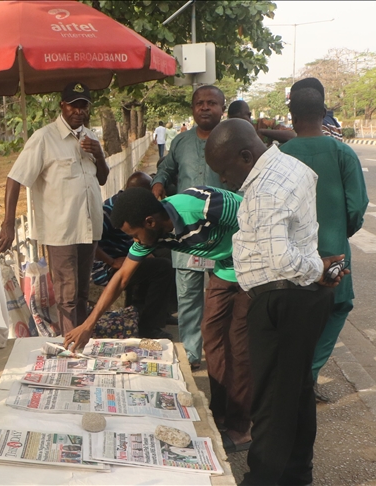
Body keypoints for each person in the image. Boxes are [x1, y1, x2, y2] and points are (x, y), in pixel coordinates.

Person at [205, 118, 345, 486]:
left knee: (269, 403)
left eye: (224, 170)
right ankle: (298, 474)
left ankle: (264, 479)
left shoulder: (265, 189)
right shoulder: (289, 166)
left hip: (280, 298)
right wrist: (318, 270)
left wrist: (317, 268)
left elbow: (282, 259)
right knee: (295, 393)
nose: (222, 180)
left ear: (246, 155)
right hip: (298, 299)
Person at [64, 184, 251, 450]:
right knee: (212, 338)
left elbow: (258, 218)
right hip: (223, 270)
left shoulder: (205, 205)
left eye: (135, 235)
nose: (135, 242)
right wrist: (88, 324)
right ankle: (220, 412)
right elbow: (121, 278)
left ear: (149, 222)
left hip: (254, 270)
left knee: (239, 347)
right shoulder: (152, 231)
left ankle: (241, 428)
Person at [0, 82, 109, 335]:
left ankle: (80, 341)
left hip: (89, 229)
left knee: (81, 292)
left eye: (83, 106)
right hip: (62, 232)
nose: (78, 111)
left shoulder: (90, 137)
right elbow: (15, 178)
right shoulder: (44, 138)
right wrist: (8, 224)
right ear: (62, 105)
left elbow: (102, 178)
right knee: (67, 296)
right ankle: (72, 348)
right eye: (73, 105)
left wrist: (99, 154)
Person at [279, 87, 368, 401]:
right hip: (335, 252)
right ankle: (309, 374)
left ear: (293, 117)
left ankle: (291, 375)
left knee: (293, 315)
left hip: (289, 256)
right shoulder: (342, 153)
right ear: (323, 113)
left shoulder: (280, 155)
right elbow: (357, 206)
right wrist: (341, 231)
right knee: (338, 307)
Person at [150, 85, 226, 371]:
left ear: (222, 107)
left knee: (224, 294)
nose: (205, 108)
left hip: (223, 232)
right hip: (187, 230)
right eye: (199, 103)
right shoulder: (181, 142)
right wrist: (158, 181)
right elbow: (166, 168)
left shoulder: (231, 138)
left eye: (211, 103)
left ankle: (221, 351)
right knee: (188, 296)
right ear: (193, 108)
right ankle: (192, 354)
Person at [90, 172, 174, 340]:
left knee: (168, 253)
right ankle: (148, 327)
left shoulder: (135, 209)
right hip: (106, 267)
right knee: (162, 268)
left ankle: (162, 311)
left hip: (128, 254)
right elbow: (91, 242)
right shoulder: (109, 211)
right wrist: (111, 261)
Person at [227, 100, 295, 146]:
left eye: (242, 120)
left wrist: (262, 132)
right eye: (234, 121)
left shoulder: (265, 123)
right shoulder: (229, 132)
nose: (239, 124)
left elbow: (292, 135)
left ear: (249, 115)